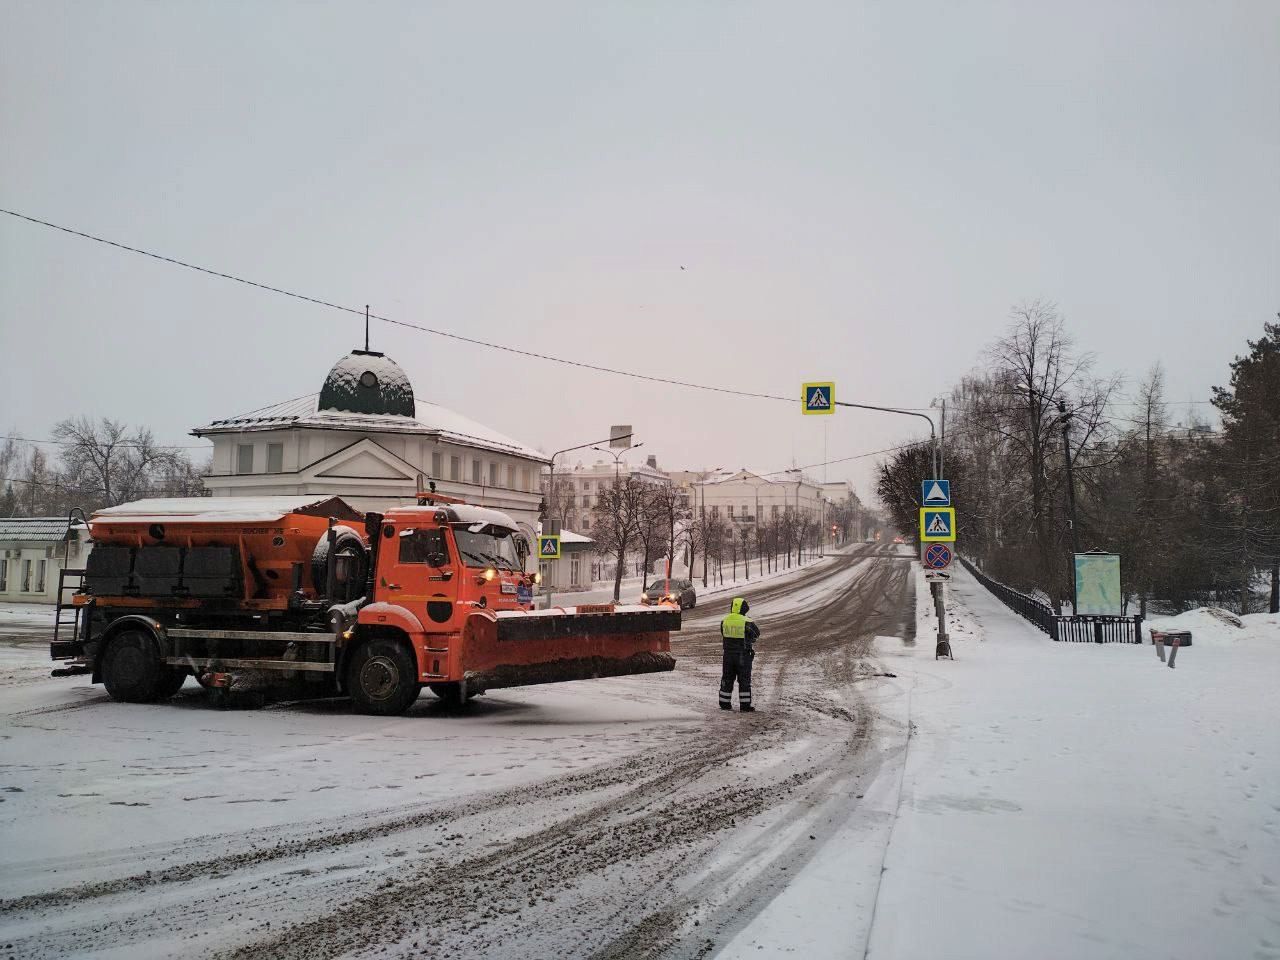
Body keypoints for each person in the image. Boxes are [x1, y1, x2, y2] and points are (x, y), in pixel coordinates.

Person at [719, 596, 760, 712]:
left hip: (727, 655)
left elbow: (723, 632)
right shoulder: (747, 621)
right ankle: (745, 705)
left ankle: (724, 703)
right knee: (744, 680)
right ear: (744, 609)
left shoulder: (725, 620)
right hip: (743, 655)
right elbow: (756, 634)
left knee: (727, 678)